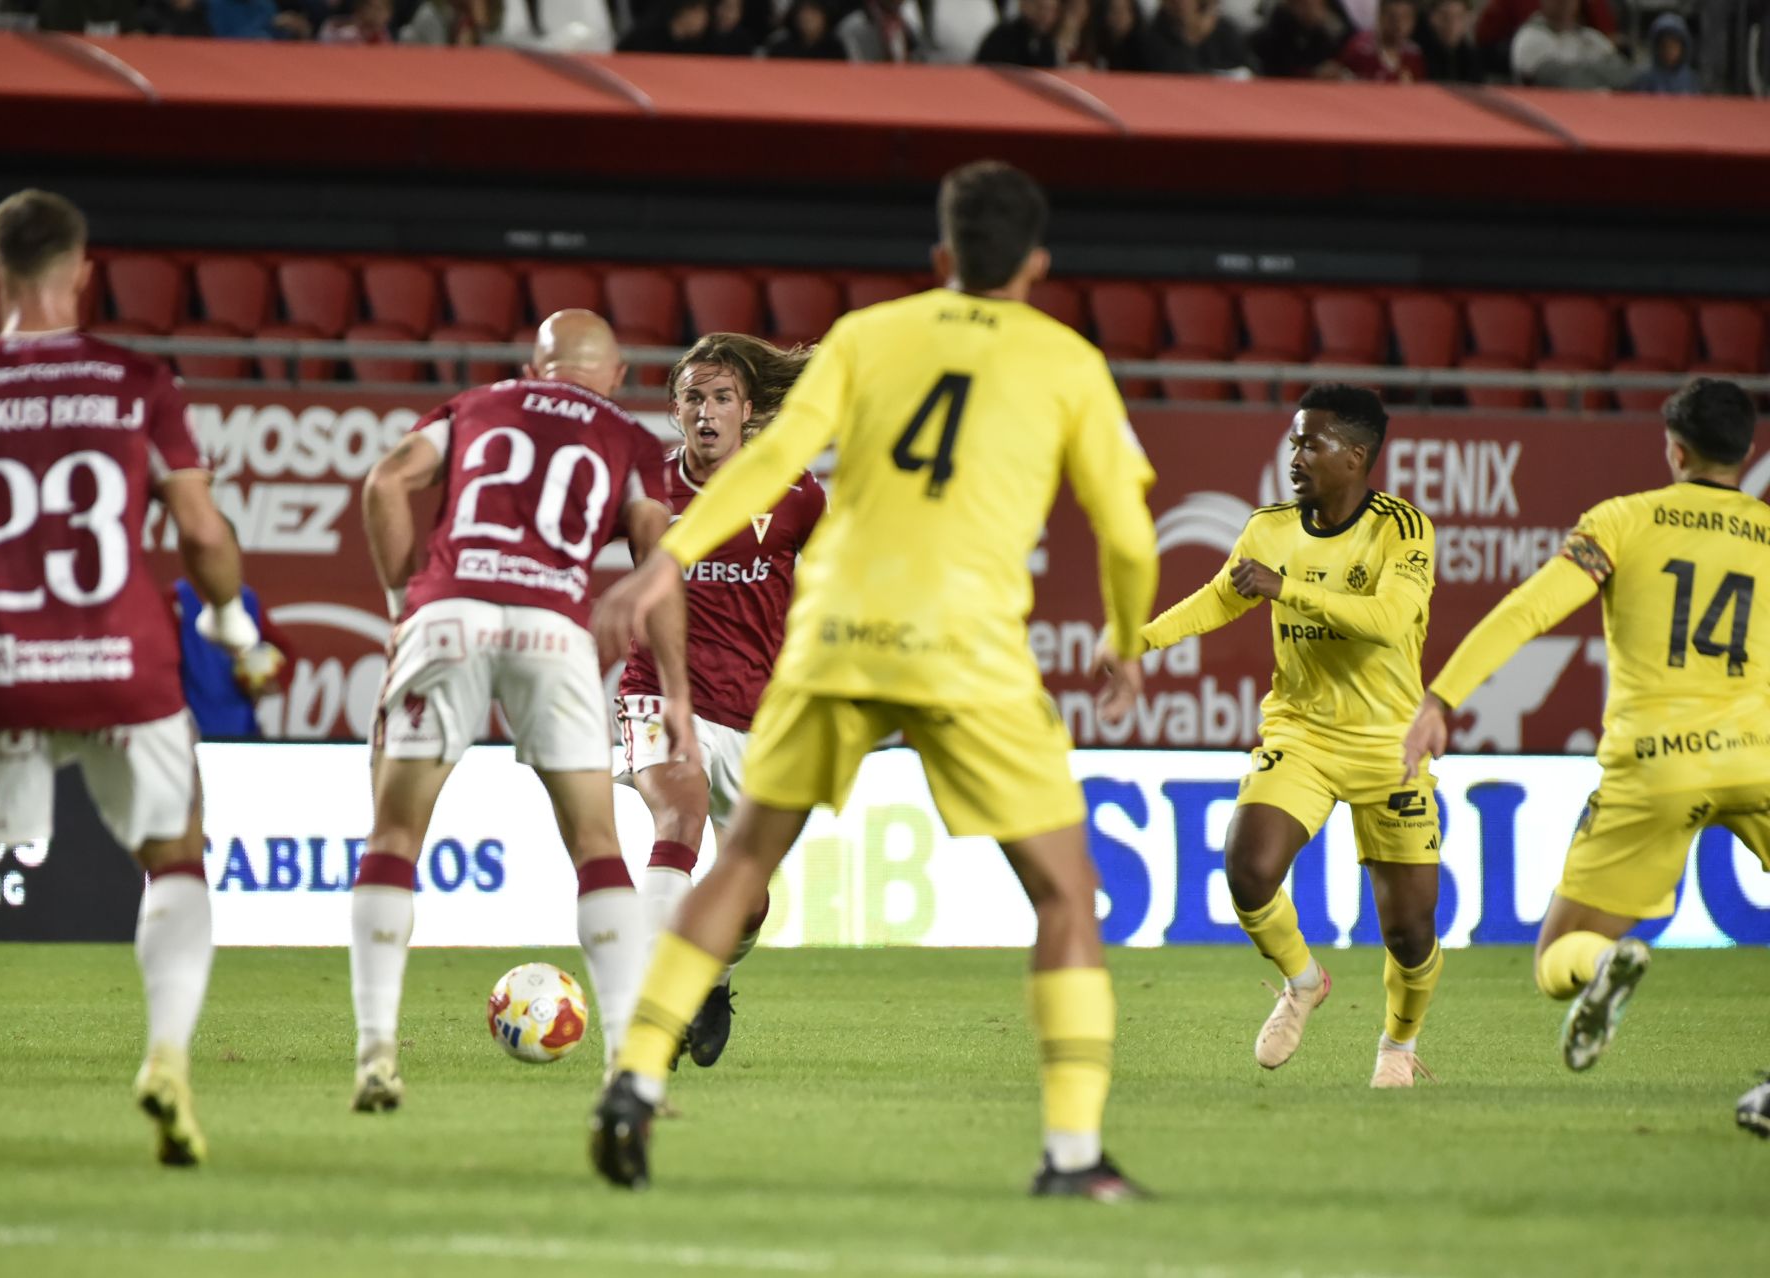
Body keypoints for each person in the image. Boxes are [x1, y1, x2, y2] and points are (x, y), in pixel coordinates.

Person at [587, 160, 1161, 1200]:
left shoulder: (872, 336)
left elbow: (768, 468)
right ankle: (1072, 1155)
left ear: (941, 259)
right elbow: (1125, 528)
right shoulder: (1068, 361)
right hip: (967, 644)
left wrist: (670, 553)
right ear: (1036, 264)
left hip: (840, 634)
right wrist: (1127, 633)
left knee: (742, 861)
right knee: (1066, 894)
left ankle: (631, 1079)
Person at [0, 189, 255, 1168]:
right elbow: (200, 531)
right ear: (82, 273)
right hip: (125, 668)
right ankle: (166, 1058)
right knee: (173, 861)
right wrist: (235, 625)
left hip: (4, 672)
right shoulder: (136, 381)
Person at [348, 309, 688, 1113]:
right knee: (598, 845)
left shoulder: (476, 406)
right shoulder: (629, 438)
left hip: (449, 614)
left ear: (536, 367)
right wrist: (675, 687)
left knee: (395, 835)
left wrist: (407, 609)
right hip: (552, 626)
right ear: (618, 372)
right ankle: (627, 1068)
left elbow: (387, 480)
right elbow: (658, 555)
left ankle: (375, 1054)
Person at [1402, 379, 1769, 1115]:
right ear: (1748, 451)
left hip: (1656, 763)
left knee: (1555, 957)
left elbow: (1529, 609)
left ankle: (1604, 963)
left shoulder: (1624, 522)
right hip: (1760, 755)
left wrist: (1441, 697)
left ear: (1674, 448)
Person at [1139, 384, 1442, 1090]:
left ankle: (1398, 1045)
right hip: (1301, 731)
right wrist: (1143, 641)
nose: (1295, 454)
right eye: (1294, 439)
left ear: (1356, 457)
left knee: (1410, 933)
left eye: (1312, 443)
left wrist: (1288, 591)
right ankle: (1302, 981)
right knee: (1248, 868)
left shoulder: (1404, 529)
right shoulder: (1269, 527)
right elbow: (1223, 595)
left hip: (1387, 744)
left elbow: (1390, 621)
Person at [613, 334, 823, 1070]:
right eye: (693, 397)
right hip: (657, 694)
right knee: (681, 812)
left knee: (751, 897)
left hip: (755, 714)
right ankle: (646, 1016)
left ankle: (714, 981)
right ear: (675, 410)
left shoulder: (797, 495)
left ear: (749, 411)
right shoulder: (643, 491)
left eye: (722, 398)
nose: (706, 412)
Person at [169, 560, 297, 740]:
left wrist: (276, 680)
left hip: (239, 725)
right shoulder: (176, 598)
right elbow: (159, 660)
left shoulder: (246, 599)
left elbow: (285, 649)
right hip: (189, 727)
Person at [1510, 0, 1628, 88]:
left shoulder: (1591, 37)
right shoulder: (1529, 37)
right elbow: (1556, 78)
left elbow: (1623, 73)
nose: (1563, 1)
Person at [1250, 0, 1352, 79]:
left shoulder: (1329, 14)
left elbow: (1345, 40)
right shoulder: (1278, 24)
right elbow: (1280, 64)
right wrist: (1312, 72)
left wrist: (1324, 24)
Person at [1143, 0, 1253, 73]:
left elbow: (1251, 67)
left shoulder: (1222, 27)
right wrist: (1191, 36)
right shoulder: (1156, 31)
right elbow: (1177, 72)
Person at [1337, 0, 1423, 80]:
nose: (1398, 24)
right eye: (1392, 17)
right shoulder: (1359, 49)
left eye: (1405, 18)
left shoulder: (1414, 55)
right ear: (1381, 16)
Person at [975, 0, 1062, 67]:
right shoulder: (1003, 38)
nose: (1046, 16)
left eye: (1052, 10)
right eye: (1041, 8)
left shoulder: (1047, 42)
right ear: (1024, 4)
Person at [1629, 12, 1699, 94]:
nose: (1669, 50)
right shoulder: (1645, 79)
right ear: (1656, 48)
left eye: (1674, 46)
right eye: (1664, 45)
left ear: (1683, 47)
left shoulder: (1692, 79)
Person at [1414, 0, 1481, 83]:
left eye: (1459, 17)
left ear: (1469, 19)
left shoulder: (1473, 57)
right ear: (1430, 17)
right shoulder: (1416, 55)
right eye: (1444, 16)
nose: (1451, 24)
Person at [618, 0, 711, 51]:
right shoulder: (644, 38)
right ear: (685, 12)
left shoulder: (701, 45)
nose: (705, 19)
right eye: (700, 12)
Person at [763, 0, 844, 58]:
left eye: (814, 14)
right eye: (804, 14)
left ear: (824, 17)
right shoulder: (780, 47)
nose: (808, 19)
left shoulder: (834, 48)